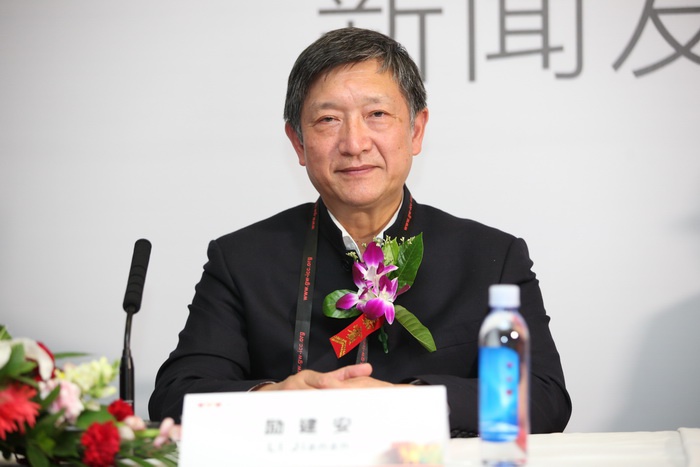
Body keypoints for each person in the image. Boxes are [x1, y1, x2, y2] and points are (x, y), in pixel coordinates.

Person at [148, 27, 571, 436]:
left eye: (377, 115)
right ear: (298, 143)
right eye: (328, 119)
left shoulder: (489, 258)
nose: (354, 143)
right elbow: (175, 394)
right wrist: (271, 398)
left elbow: (543, 397)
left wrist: (408, 402)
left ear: (416, 130)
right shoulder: (243, 260)